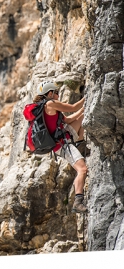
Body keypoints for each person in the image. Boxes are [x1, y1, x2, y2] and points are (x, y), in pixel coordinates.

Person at [34, 81, 88, 213]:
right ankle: (78, 202)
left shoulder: (46, 107)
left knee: (83, 117)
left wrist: (84, 109)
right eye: (56, 92)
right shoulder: (51, 103)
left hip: (62, 138)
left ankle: (80, 145)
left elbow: (68, 120)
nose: (58, 94)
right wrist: (90, 94)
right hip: (62, 144)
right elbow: (73, 106)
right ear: (50, 93)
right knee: (82, 169)